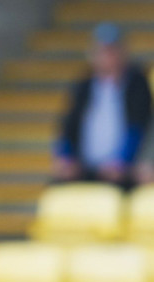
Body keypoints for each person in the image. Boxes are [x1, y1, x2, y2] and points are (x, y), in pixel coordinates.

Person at [53, 22, 152, 189]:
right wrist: (65, 157)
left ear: (122, 53)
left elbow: (139, 126)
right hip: (85, 168)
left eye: (111, 51)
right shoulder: (84, 86)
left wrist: (122, 161)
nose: (107, 57)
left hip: (125, 170)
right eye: (103, 52)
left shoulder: (137, 85)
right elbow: (68, 126)